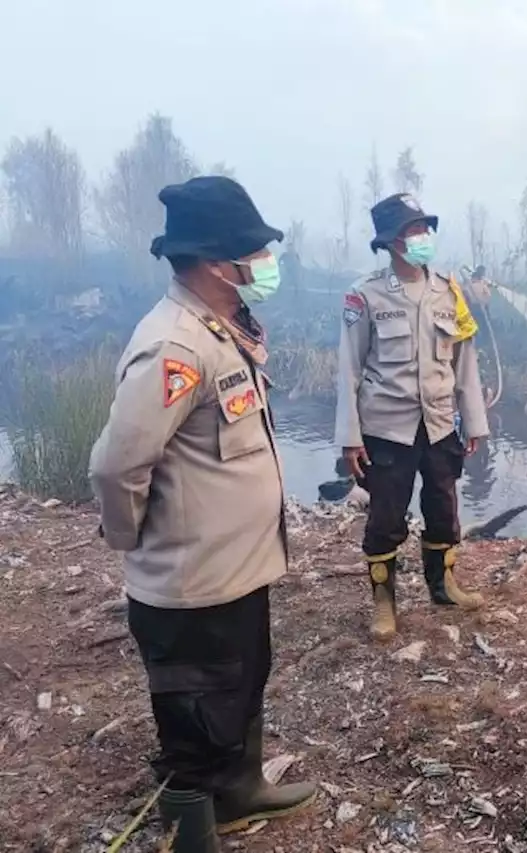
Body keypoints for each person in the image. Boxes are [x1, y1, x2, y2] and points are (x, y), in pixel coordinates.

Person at [89, 176, 316, 852]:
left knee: (242, 682)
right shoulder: (175, 348)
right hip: (191, 582)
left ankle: (241, 790)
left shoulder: (223, 329)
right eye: (256, 251)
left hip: (237, 569)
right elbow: (115, 465)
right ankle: (193, 829)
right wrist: (136, 541)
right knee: (195, 713)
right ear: (219, 263)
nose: (265, 262)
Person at [335, 193, 490, 642]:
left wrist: (474, 421)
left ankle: (443, 586)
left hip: (440, 423)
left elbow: (465, 361)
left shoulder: (448, 290)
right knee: (385, 517)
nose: (423, 237)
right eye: (412, 231)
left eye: (425, 228)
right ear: (391, 242)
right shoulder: (365, 295)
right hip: (387, 428)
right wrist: (350, 437)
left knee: (444, 507)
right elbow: (348, 367)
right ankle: (384, 603)